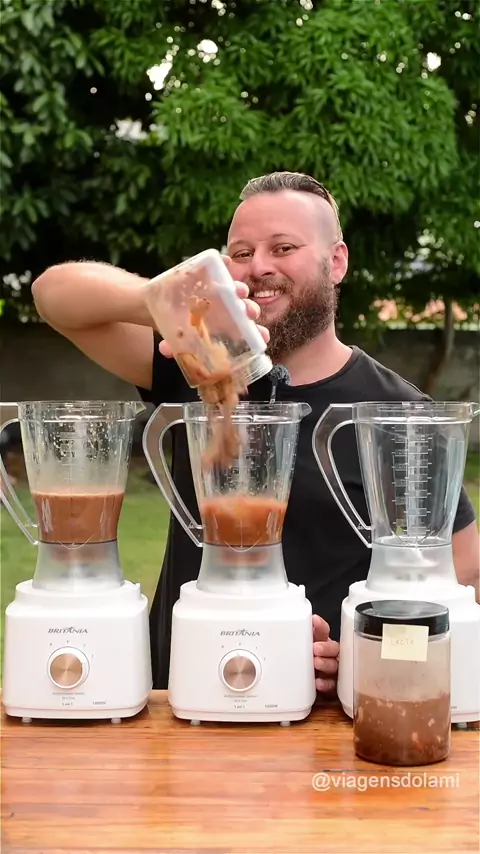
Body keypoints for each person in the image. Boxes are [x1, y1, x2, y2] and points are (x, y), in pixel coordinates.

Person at [31, 171, 479, 694]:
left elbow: (466, 571)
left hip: (314, 716)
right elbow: (52, 295)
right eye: (241, 252)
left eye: (283, 247)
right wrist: (159, 300)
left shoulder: (397, 413)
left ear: (336, 262)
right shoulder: (200, 365)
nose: (259, 266)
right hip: (179, 701)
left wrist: (364, 653)